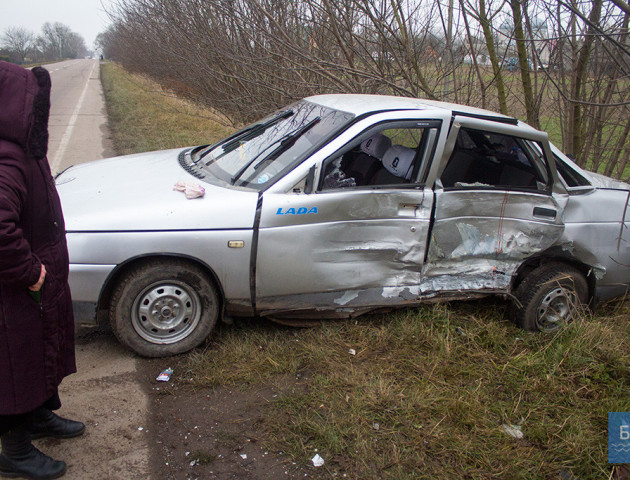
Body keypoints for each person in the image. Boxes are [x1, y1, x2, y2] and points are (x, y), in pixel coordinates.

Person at [0, 61, 85, 479]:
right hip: (14, 293)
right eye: (32, 103)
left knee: (38, 356)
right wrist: (31, 272)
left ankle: (37, 417)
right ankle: (14, 449)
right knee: (15, 366)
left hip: (36, 282)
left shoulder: (20, 148)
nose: (38, 112)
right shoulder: (5, 158)